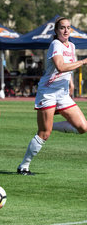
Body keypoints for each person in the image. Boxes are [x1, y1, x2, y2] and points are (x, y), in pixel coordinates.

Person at [17, 17, 87, 175]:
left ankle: (50, 125)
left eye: (68, 27)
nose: (66, 30)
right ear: (56, 31)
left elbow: (68, 69)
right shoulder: (55, 44)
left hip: (62, 94)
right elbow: (61, 67)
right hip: (48, 92)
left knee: (83, 127)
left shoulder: (73, 46)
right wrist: (83, 62)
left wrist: (70, 84)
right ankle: (23, 166)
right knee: (44, 134)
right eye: (62, 28)